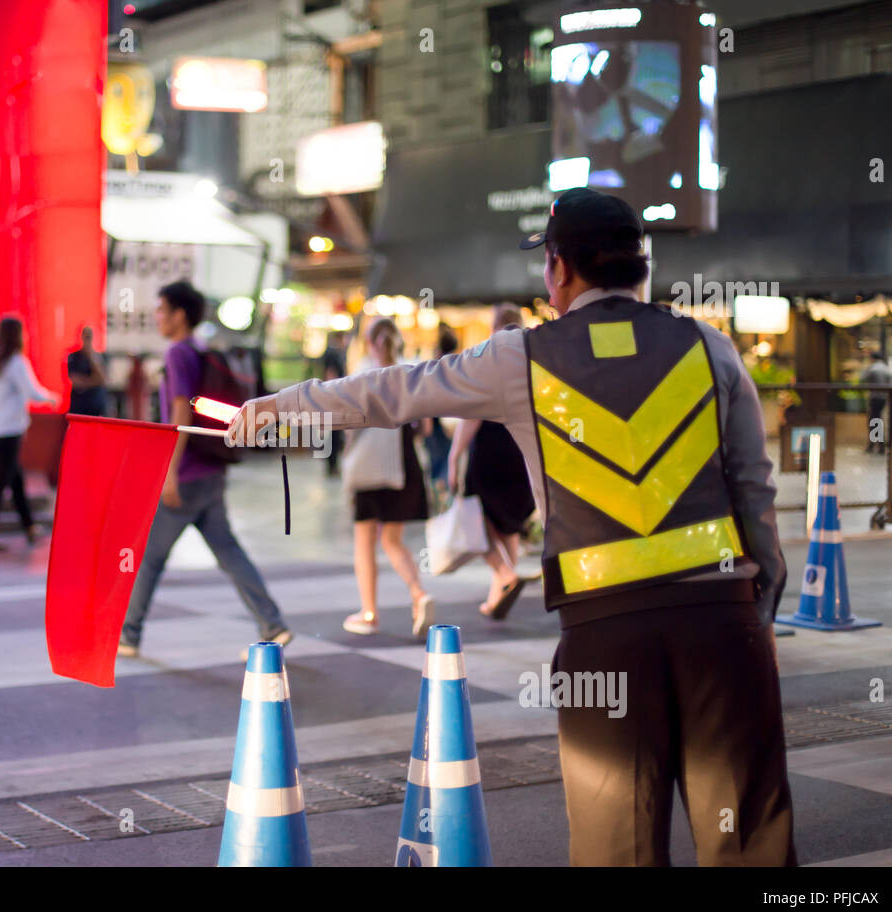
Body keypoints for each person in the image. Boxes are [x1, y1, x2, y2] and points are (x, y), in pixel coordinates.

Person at [230, 187, 795, 867]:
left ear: (557, 269)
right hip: (722, 624)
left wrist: (282, 406)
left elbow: (394, 392)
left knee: (620, 844)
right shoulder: (710, 348)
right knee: (749, 847)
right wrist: (756, 610)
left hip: (604, 634)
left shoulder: (518, 358)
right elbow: (753, 488)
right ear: (644, 267)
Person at [118, 280, 291, 658]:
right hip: (211, 470)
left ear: (180, 315)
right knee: (229, 551)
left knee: (149, 556)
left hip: (188, 472)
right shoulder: (198, 350)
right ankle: (272, 624)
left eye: (162, 310)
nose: (158, 317)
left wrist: (170, 472)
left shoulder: (179, 352)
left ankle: (129, 635)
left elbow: (181, 410)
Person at [341, 317, 434, 639]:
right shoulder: (411, 373)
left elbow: (349, 426)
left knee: (364, 541)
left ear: (369, 342)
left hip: (370, 468)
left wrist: (345, 457)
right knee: (392, 541)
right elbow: (426, 428)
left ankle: (369, 613)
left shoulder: (362, 375)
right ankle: (419, 594)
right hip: (404, 468)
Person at [447, 304, 536, 619]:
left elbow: (472, 413)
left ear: (495, 329)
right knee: (508, 526)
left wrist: (455, 454)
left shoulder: (487, 359)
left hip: (488, 454)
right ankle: (498, 596)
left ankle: (506, 575)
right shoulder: (531, 362)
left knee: (477, 523)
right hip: (520, 454)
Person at [0, 315, 58, 551]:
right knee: (0, 483)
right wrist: (53, 398)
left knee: (15, 479)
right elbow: (33, 392)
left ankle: (29, 527)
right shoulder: (16, 362)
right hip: (9, 431)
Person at [423, 324, 460, 499]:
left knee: (437, 465)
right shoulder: (457, 365)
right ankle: (444, 500)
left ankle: (439, 501)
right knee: (445, 463)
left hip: (436, 424)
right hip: (448, 424)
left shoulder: (434, 367)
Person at [321, 331, 349, 476]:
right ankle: (331, 464)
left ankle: (332, 464)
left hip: (332, 396)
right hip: (333, 397)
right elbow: (330, 375)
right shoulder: (332, 354)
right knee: (334, 433)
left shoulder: (333, 352)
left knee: (334, 432)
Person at [66, 326, 108, 417]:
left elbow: (102, 378)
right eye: (85, 336)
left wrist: (91, 357)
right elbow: (76, 382)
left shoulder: (101, 357)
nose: (87, 339)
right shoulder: (74, 357)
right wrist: (94, 381)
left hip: (95, 408)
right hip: (79, 407)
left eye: (89, 336)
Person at [859, 351, 892, 454]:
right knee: (878, 420)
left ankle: (873, 445)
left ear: (872, 358)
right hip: (883, 398)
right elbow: (891, 382)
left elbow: (862, 378)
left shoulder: (873, 368)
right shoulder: (886, 368)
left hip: (874, 397)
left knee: (874, 420)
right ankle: (880, 445)